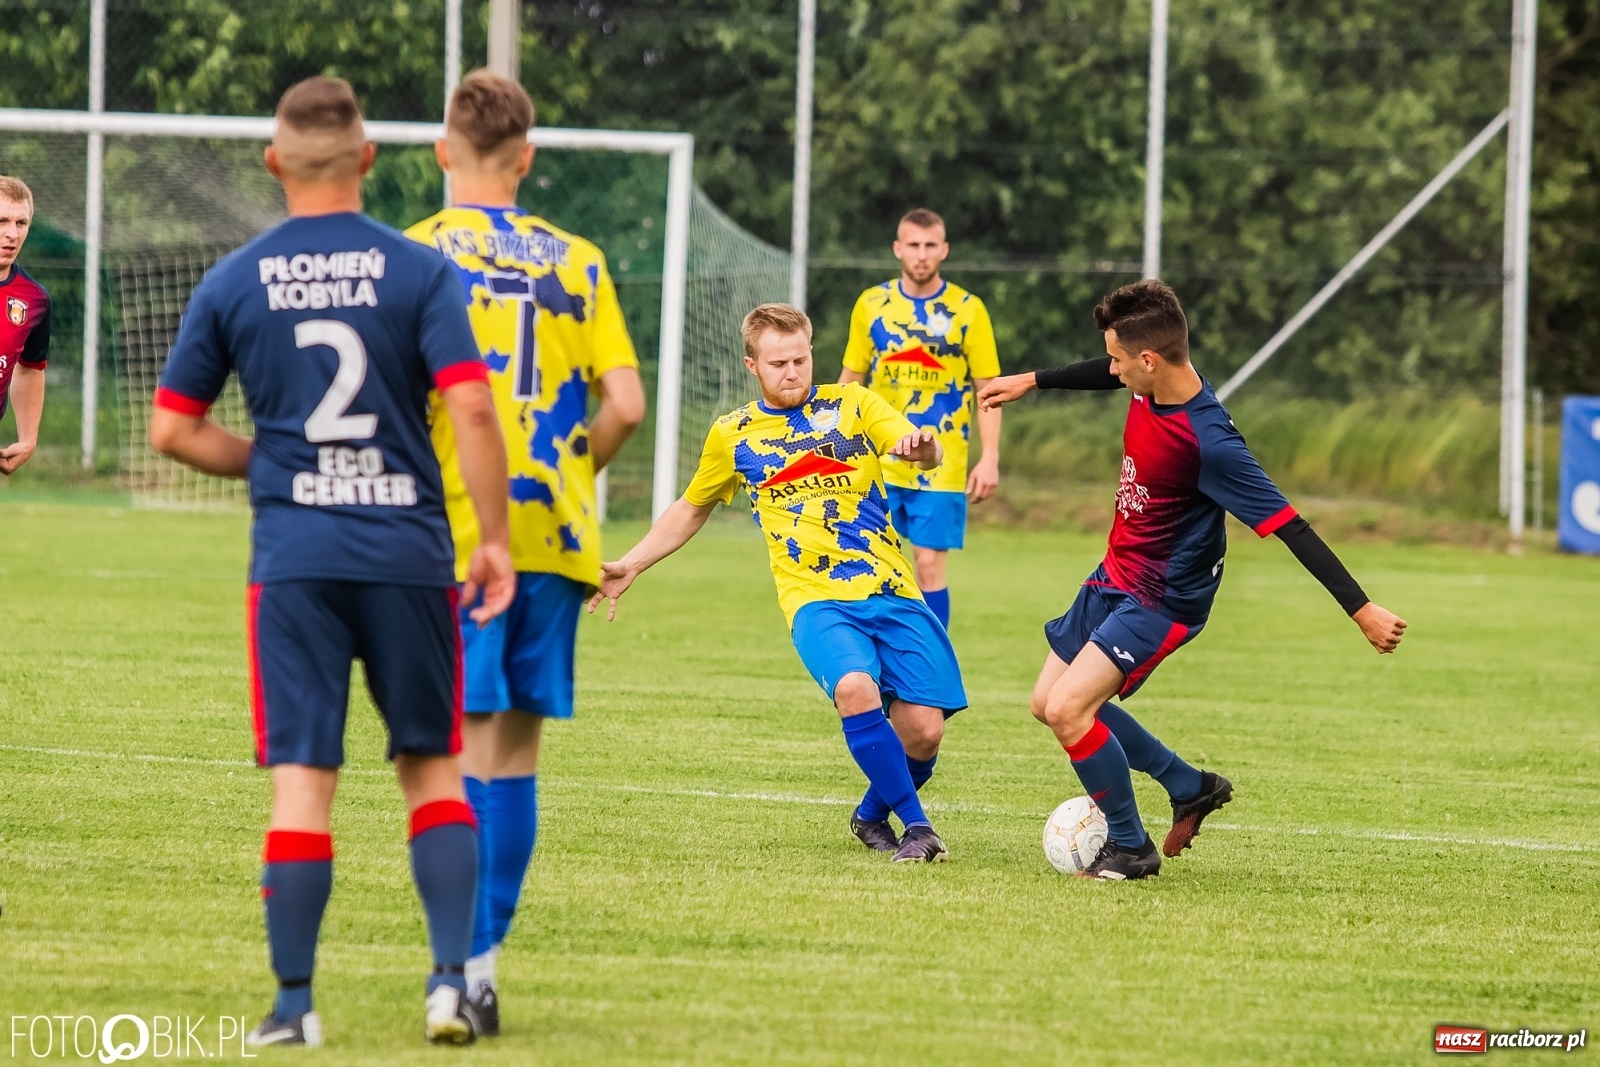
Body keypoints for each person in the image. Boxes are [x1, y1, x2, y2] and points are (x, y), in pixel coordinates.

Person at [148, 76, 515, 1045]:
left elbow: (171, 429)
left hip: (296, 562)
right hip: (407, 551)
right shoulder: (420, 270)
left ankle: (293, 1007)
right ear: (368, 159)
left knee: (303, 782)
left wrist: (270, 463)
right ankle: (446, 985)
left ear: (274, 164)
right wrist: (495, 539)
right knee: (432, 766)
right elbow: (473, 408)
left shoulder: (234, 279)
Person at [977, 279, 1407, 881]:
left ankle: (1131, 849)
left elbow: (1293, 527)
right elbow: (1107, 371)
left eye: (1120, 361)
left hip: (1164, 597)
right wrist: (1034, 380)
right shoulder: (1153, 381)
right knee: (1047, 705)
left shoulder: (1210, 442)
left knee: (1072, 710)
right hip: (1116, 572)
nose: (1113, 370)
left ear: (1149, 360)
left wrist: (1361, 609)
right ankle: (1189, 785)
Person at [405, 69, 646, 1032]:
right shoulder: (579, 260)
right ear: (529, 157)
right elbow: (625, 402)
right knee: (514, 757)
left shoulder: (415, 254)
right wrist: (576, 471)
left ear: (441, 151)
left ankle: (450, 972)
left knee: (458, 753)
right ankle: (484, 966)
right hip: (554, 530)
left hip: (452, 530)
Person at [591, 303, 966, 863]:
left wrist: (926, 447)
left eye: (800, 359)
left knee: (924, 735)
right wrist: (633, 563)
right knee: (854, 689)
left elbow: (918, 447)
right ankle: (918, 829)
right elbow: (691, 508)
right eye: (778, 363)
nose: (792, 372)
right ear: (752, 365)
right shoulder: (733, 433)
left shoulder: (853, 405)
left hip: (891, 591)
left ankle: (869, 816)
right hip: (815, 602)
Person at [838, 208, 1001, 630]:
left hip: (941, 465)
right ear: (898, 249)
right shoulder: (871, 305)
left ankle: (933, 670)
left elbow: (990, 391)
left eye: (930, 245)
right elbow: (851, 380)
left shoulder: (968, 309)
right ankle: (882, 660)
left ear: (944, 250)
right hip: (878, 458)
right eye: (913, 245)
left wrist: (991, 458)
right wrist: (837, 442)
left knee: (928, 567)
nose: (922, 254)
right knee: (870, 568)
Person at [0, 176, 49, 477]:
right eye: (2, 220)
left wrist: (28, 438)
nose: (11, 234)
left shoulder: (34, 299)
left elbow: (30, 367)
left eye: (21, 223)